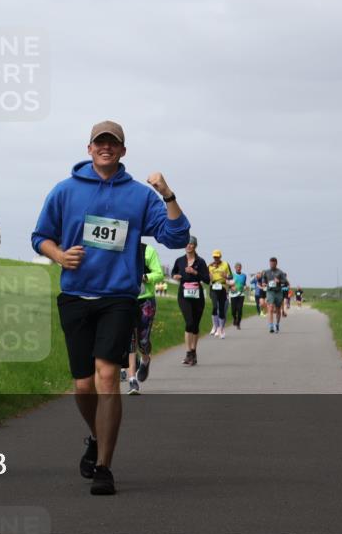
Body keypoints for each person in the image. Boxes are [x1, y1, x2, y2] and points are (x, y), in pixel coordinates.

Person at [32, 120, 189, 496]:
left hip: (119, 298)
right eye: (99, 143)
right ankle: (94, 434)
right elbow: (40, 237)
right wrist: (59, 255)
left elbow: (176, 236)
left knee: (106, 379)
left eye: (113, 144)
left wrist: (168, 195)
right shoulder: (65, 190)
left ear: (122, 151)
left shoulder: (139, 195)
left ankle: (104, 466)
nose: (106, 148)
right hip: (75, 295)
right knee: (83, 385)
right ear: (89, 149)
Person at [120, 242, 165, 395]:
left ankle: (145, 360)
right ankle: (132, 380)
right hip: (126, 298)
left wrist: (146, 277)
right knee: (129, 339)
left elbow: (159, 273)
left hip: (145, 301)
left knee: (143, 341)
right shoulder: (120, 248)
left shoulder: (148, 250)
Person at [172, 237, 210, 364]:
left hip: (197, 294)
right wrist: (176, 276)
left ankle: (193, 352)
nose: (188, 246)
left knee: (195, 325)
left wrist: (194, 272)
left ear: (195, 246)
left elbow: (207, 280)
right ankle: (188, 352)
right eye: (187, 244)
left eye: (191, 244)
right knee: (189, 322)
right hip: (184, 294)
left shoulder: (201, 261)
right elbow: (173, 273)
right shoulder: (179, 261)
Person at [207, 250, 233, 338]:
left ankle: (221, 329)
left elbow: (231, 276)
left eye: (217, 257)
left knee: (221, 309)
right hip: (213, 287)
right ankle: (215, 326)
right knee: (215, 306)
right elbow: (205, 278)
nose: (216, 258)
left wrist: (226, 276)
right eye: (214, 257)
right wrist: (208, 277)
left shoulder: (225, 264)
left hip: (222, 288)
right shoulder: (210, 266)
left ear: (220, 257)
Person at [261, 257, 288, 333]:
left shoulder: (280, 272)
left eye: (273, 263)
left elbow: (285, 282)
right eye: (270, 263)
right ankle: (271, 326)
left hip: (278, 292)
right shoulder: (266, 272)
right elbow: (263, 279)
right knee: (270, 307)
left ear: (276, 263)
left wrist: (279, 281)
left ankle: (277, 324)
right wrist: (263, 283)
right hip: (270, 291)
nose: (272, 264)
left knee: (278, 309)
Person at [230, 262, 247, 330]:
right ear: (235, 268)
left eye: (239, 267)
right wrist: (231, 287)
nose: (238, 268)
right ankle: (235, 318)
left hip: (241, 294)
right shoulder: (232, 275)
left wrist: (245, 287)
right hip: (233, 294)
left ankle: (238, 323)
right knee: (233, 310)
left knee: (239, 309)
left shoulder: (244, 275)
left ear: (241, 268)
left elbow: (244, 283)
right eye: (237, 267)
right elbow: (229, 284)